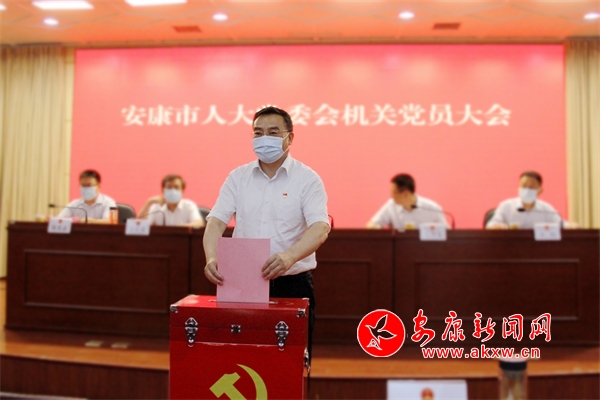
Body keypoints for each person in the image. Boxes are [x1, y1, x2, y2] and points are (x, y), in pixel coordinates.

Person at [203, 106, 330, 357]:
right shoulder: (238, 177)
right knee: (242, 356)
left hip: (292, 283)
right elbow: (216, 222)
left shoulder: (307, 179)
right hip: (242, 282)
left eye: (273, 132)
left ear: (289, 138)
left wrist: (289, 256)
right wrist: (212, 257)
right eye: (258, 133)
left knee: (290, 360)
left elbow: (320, 228)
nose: (264, 139)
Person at [486, 171, 569, 229]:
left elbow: (561, 224)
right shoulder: (506, 206)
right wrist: (498, 226)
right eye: (524, 186)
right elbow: (490, 226)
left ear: (540, 191)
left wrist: (570, 226)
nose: (527, 190)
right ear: (518, 187)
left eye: (531, 187)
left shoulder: (546, 209)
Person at [366, 173, 448, 230]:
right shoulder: (391, 205)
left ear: (405, 194)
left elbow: (447, 233)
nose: (391, 195)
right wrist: (375, 227)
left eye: (394, 192)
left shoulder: (432, 208)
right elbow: (372, 224)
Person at [137, 174, 204, 227]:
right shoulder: (156, 207)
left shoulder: (188, 205)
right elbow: (139, 225)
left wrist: (181, 227)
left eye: (176, 187)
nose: (173, 191)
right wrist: (149, 202)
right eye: (169, 187)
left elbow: (199, 223)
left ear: (182, 190)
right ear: (163, 190)